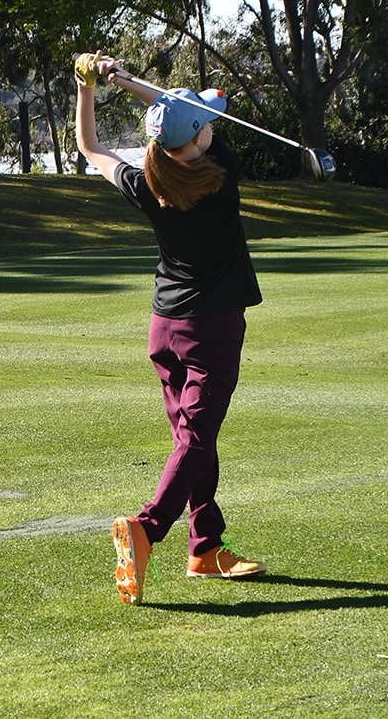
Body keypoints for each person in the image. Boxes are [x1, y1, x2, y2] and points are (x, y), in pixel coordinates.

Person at [73, 53, 266, 605]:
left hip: (165, 327)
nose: (211, 127)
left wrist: (89, 85)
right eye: (205, 123)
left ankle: (205, 548)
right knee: (197, 439)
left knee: (192, 440)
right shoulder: (221, 176)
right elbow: (183, 118)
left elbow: (91, 148)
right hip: (213, 328)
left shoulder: (149, 180)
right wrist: (128, 82)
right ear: (199, 139)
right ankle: (147, 529)